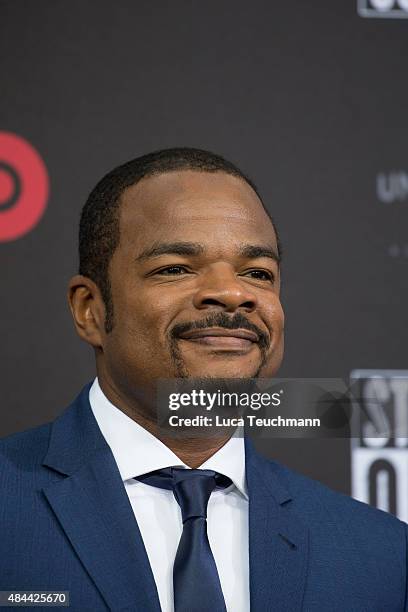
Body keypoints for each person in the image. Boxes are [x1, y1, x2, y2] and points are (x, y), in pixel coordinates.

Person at [0, 148, 406, 612]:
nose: (233, 293)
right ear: (89, 310)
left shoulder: (381, 555)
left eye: (257, 273)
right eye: (174, 268)